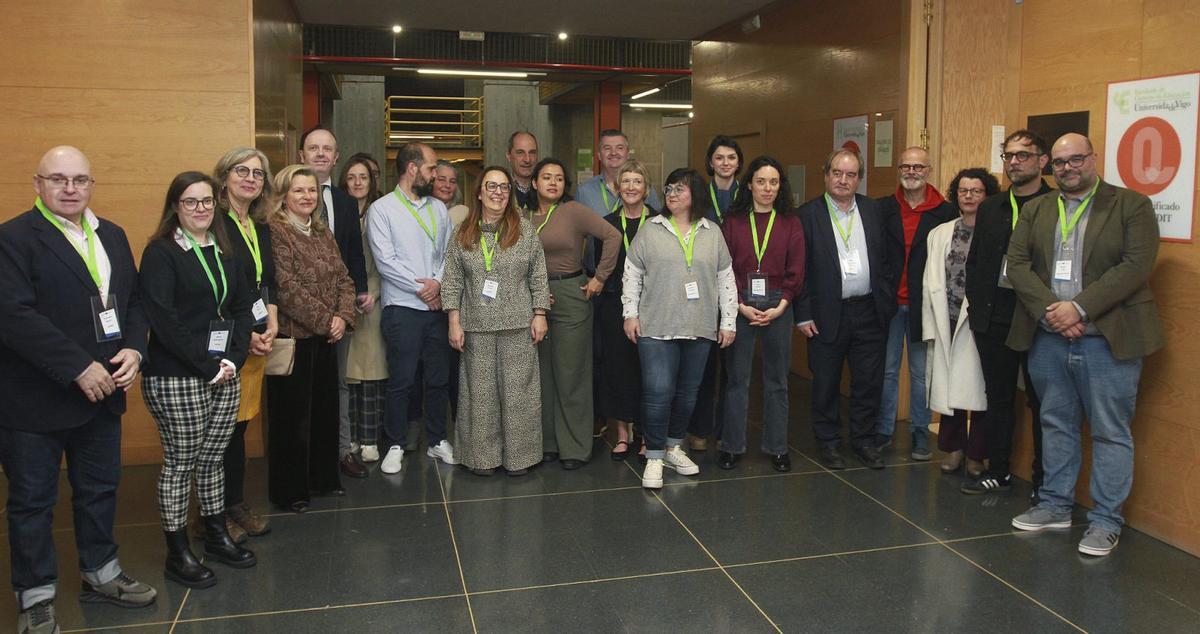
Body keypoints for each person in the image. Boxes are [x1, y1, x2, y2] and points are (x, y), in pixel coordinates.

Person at [0, 146, 156, 632]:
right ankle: (36, 596)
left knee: (99, 490)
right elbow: (14, 316)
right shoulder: (13, 238)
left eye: (81, 180)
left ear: (92, 185)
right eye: (59, 179)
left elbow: (133, 302)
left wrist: (134, 349)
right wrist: (76, 367)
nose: (70, 189)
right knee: (32, 502)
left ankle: (101, 573)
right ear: (38, 184)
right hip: (35, 400)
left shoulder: (111, 234)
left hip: (104, 394)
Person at [1007, 133, 1163, 557]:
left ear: (1093, 159)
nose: (1067, 168)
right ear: (1049, 167)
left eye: (1076, 159)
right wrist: (1051, 312)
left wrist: (1079, 309)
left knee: (1112, 432)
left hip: (1107, 341)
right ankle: (1056, 504)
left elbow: (1135, 266)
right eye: (1058, 162)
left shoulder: (1131, 205)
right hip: (1049, 339)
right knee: (1056, 424)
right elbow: (1017, 265)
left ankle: (1106, 520)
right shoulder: (1037, 208)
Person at [140, 171, 258, 587]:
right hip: (178, 375)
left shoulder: (224, 251)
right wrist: (208, 365)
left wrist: (234, 357)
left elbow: (244, 308)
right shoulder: (161, 253)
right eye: (191, 202)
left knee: (212, 462)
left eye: (207, 201)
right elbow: (165, 321)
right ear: (175, 206)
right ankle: (178, 552)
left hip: (225, 372)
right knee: (181, 463)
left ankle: (216, 536)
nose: (201, 209)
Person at [622, 168, 737, 489]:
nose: (672, 193)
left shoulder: (712, 232)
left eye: (680, 189)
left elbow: (725, 279)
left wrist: (727, 322)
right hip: (656, 326)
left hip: (699, 326)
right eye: (669, 188)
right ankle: (655, 455)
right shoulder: (651, 229)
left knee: (688, 394)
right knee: (658, 393)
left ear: (695, 194)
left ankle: (674, 446)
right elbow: (631, 274)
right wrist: (630, 314)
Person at [794, 149, 903, 470]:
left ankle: (864, 441)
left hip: (869, 311)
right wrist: (803, 312)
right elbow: (799, 270)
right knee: (826, 382)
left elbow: (889, 258)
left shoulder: (874, 210)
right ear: (826, 175)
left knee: (869, 381)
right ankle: (828, 442)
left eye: (851, 174)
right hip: (826, 313)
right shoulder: (807, 215)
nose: (843, 180)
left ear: (859, 178)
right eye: (837, 173)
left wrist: (886, 297)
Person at [441, 166, 551, 475]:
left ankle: (521, 458)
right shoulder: (463, 231)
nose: (498, 192)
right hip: (476, 326)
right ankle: (482, 458)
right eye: (491, 186)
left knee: (520, 397)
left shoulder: (525, 230)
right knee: (480, 397)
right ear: (479, 192)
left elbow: (538, 275)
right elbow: (452, 281)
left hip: (518, 324)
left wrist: (540, 313)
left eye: (504, 187)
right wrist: (454, 321)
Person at [962, 129, 1052, 495]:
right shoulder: (991, 207)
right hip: (993, 318)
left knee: (1042, 402)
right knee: (998, 399)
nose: (1014, 162)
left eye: (1023, 155)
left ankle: (1044, 481)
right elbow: (977, 262)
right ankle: (998, 470)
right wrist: (976, 302)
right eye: (1008, 155)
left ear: (1042, 161)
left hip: (1037, 321)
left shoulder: (1055, 204)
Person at [266, 164, 357, 513]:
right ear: (283, 196)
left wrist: (343, 317)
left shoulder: (322, 232)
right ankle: (291, 491)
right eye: (299, 191)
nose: (307, 196)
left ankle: (322, 480)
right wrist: (326, 320)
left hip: (327, 338)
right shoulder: (276, 232)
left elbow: (344, 279)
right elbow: (286, 288)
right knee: (292, 421)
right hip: (295, 338)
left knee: (324, 413)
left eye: (311, 190)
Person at [367, 142, 459, 474]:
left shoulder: (438, 209)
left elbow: (450, 254)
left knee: (437, 379)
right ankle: (394, 444)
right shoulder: (382, 209)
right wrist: (424, 289)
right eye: (432, 168)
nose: (436, 175)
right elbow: (386, 262)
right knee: (402, 381)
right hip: (403, 308)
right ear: (412, 168)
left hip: (435, 311)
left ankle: (437, 440)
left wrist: (437, 283)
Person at [528, 158, 622, 469]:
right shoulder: (523, 216)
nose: (553, 183)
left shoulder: (573, 211)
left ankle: (575, 447)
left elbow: (613, 236)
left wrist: (599, 278)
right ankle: (548, 444)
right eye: (546, 177)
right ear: (534, 183)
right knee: (542, 376)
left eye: (558, 178)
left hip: (571, 295)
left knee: (571, 374)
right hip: (534, 299)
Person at [718, 156, 805, 472]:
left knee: (777, 380)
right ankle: (732, 446)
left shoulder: (790, 222)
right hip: (740, 305)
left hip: (779, 305)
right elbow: (724, 267)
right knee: (737, 379)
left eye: (774, 182)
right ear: (750, 184)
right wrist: (740, 303)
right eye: (761, 181)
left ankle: (778, 447)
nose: (767, 188)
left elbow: (796, 270)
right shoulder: (733, 221)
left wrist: (782, 305)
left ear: (780, 186)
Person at [298, 126, 372, 480]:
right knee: (304, 386)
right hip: (297, 314)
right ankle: (309, 458)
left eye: (328, 149)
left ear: (336, 157)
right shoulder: (284, 198)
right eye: (314, 148)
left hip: (339, 311)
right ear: (301, 155)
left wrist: (354, 297)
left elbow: (353, 254)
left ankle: (342, 451)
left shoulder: (343, 201)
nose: (321, 154)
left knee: (339, 383)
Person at [874, 146, 957, 460]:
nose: (911, 172)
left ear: (929, 170)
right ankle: (883, 431)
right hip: (890, 304)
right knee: (888, 371)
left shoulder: (946, 212)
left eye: (918, 167)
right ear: (899, 170)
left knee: (922, 373)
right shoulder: (882, 208)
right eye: (905, 166)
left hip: (925, 306)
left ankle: (921, 433)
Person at [213, 147, 277, 541]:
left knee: (239, 428)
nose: (251, 179)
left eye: (258, 173)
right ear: (224, 178)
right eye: (242, 171)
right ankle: (213, 513)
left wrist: (271, 320)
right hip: (229, 342)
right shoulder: (214, 221)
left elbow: (266, 280)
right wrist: (245, 334)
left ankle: (232, 503)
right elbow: (214, 289)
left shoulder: (259, 224)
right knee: (219, 432)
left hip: (258, 339)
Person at [922, 168, 999, 479]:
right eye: (964, 191)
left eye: (976, 191)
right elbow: (930, 280)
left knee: (978, 391)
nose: (969, 196)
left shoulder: (996, 231)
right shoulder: (940, 233)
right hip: (947, 318)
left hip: (980, 320)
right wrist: (930, 324)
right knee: (949, 387)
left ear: (987, 195)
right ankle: (954, 449)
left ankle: (977, 455)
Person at [595, 159, 656, 461]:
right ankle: (622, 434)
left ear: (646, 188)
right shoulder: (605, 224)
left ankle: (646, 435)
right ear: (618, 188)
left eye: (638, 181)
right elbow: (597, 268)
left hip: (652, 307)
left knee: (648, 371)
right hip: (613, 306)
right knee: (618, 370)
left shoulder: (659, 222)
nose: (631, 187)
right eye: (626, 181)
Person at [339, 155, 387, 468]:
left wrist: (373, 293)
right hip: (342, 301)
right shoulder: (337, 213)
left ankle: (370, 440)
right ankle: (350, 437)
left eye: (364, 177)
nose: (358, 182)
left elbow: (389, 260)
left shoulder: (382, 213)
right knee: (348, 375)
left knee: (372, 372)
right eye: (352, 177)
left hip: (374, 298)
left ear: (372, 182)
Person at [705, 135, 744, 221]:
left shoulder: (747, 194)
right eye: (719, 158)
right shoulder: (700, 193)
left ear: (738, 163)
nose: (726, 163)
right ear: (711, 163)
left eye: (731, 158)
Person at [506, 131, 540, 211]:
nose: (527, 159)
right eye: (520, 153)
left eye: (532, 153)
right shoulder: (500, 190)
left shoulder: (546, 190)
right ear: (508, 156)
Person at [434, 159, 470, 226]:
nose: (448, 185)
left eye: (452, 181)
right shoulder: (420, 209)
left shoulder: (461, 212)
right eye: (442, 180)